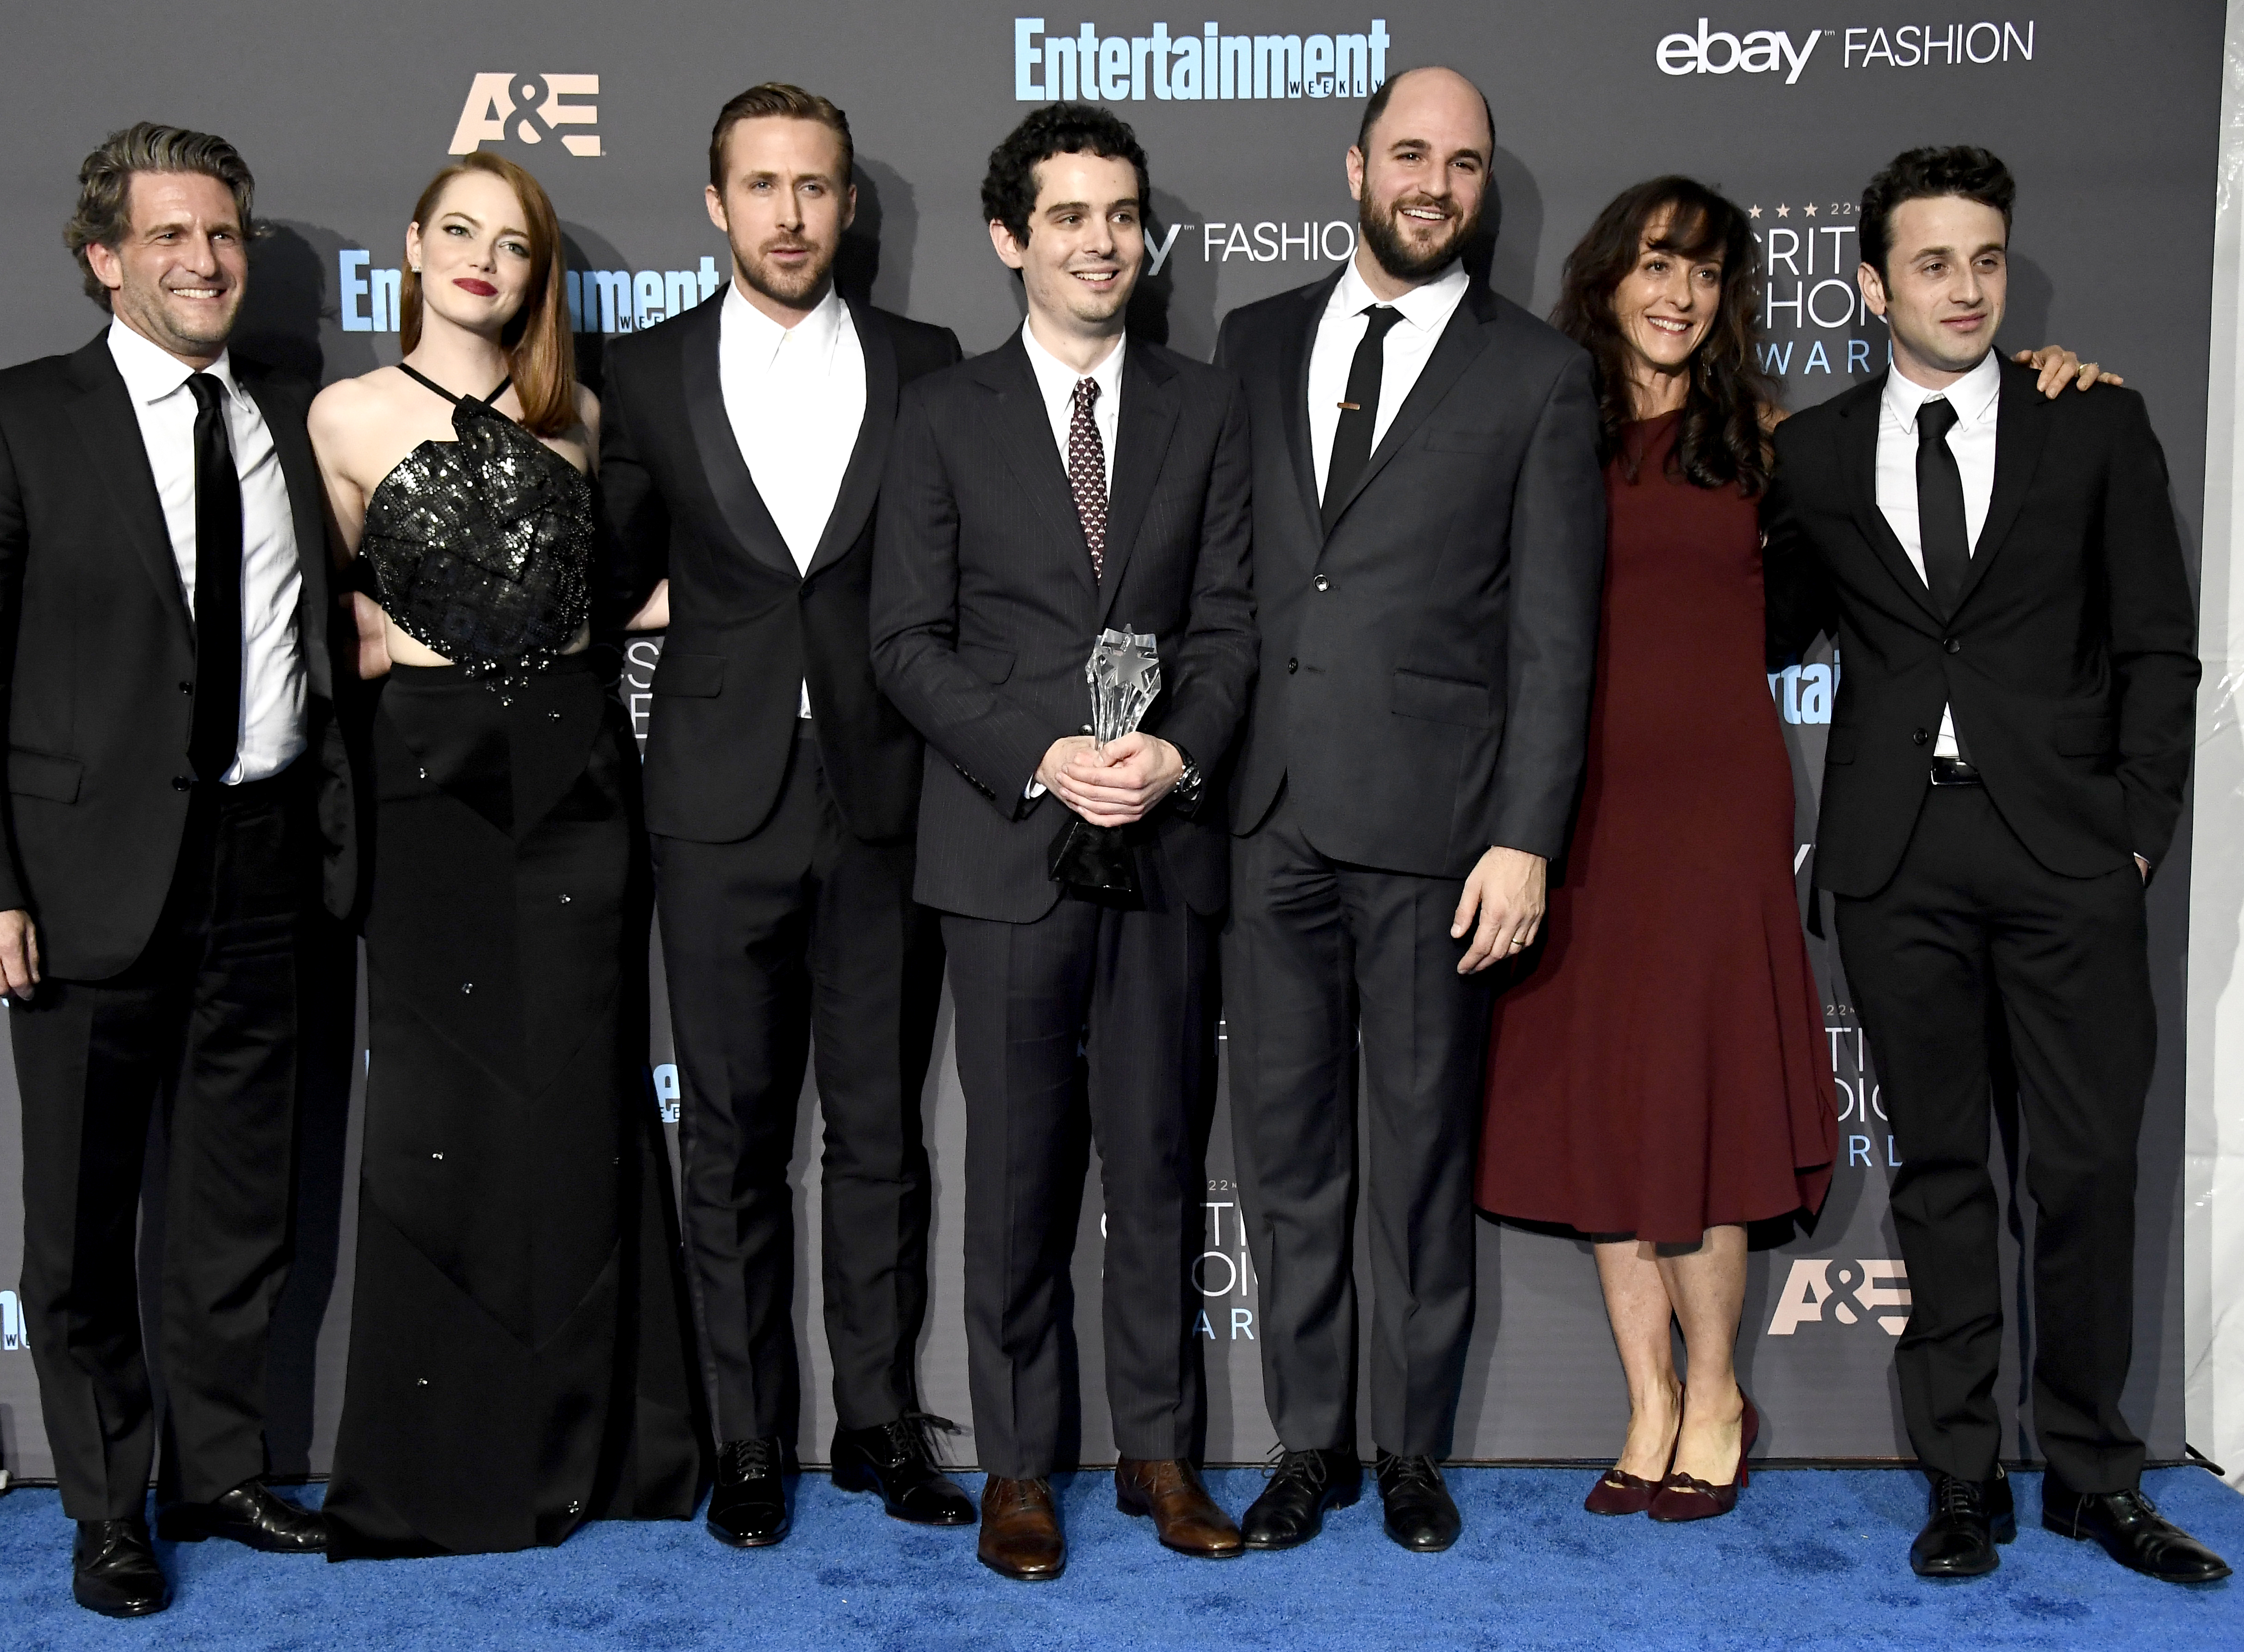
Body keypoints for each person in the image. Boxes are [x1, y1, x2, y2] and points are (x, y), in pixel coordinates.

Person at [1476, 176, 2109, 1523]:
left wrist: (2046, 375)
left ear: (1728, 300)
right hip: (1564, 812)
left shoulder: (1778, 444)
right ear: (1605, 279)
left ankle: (1715, 1394)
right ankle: (1644, 1401)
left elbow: (1912, 481)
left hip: (1713, 814)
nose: (1676, 294)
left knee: (1699, 1100)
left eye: (1703, 275)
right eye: (1654, 265)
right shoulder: (1544, 428)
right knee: (1604, 1103)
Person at [0, 123, 352, 1617]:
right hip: (79, 883)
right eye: (169, 236)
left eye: (222, 233)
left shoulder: (292, 420)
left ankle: (218, 1476)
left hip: (267, 865)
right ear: (105, 258)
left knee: (238, 1212)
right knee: (85, 1229)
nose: (205, 260)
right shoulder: (11, 420)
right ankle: (109, 1512)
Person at [1766, 146, 2226, 1584]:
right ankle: (1957, 1478)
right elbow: (1767, 628)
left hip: (2068, 856)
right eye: (1932, 262)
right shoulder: (1819, 453)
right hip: (1899, 856)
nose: (1965, 288)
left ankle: (2093, 1474)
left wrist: (2136, 831)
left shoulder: (2091, 422)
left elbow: (2158, 645)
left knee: (2084, 1172)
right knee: (1942, 1179)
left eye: (1985, 260)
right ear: (1871, 285)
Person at [1210, 66, 1601, 1554]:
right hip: (1264, 817)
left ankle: (1413, 1448)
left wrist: (1526, 835)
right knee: (1290, 1154)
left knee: (1420, 1152)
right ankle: (1309, 1442)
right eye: (1410, 155)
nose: (1434, 184)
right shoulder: (1251, 344)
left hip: (1442, 836)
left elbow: (1554, 636)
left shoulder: (1535, 374)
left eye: (1464, 163)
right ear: (1354, 165)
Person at [871, 103, 1256, 1582]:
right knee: (1017, 1173)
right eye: (1070, 217)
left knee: (1158, 1163)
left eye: (1120, 215)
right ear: (1008, 239)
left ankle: (1160, 1455)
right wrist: (1038, 754)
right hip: (1004, 846)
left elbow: (1228, 626)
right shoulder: (942, 413)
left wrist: (1175, 752)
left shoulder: (1203, 404)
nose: (1100, 242)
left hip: (1161, 842)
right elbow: (905, 641)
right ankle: (1018, 1469)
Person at [307, 150, 704, 1558]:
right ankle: (442, 1471)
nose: (485, 259)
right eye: (460, 231)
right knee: (435, 1123)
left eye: (515, 242)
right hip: (425, 791)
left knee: (577, 1110)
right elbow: (321, 622)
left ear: (540, 274)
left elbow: (612, 600)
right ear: (412, 247)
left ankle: (606, 1452)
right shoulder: (341, 415)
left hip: (576, 787)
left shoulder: (581, 416)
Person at [598, 83, 970, 1551]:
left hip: (886, 797)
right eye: (762, 187)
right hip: (713, 803)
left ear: (848, 205)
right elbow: (602, 570)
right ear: (716, 205)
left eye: (814, 188)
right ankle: (746, 1441)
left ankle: (878, 1425)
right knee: (733, 1141)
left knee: (879, 1137)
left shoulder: (926, 364)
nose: (791, 215)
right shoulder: (639, 372)